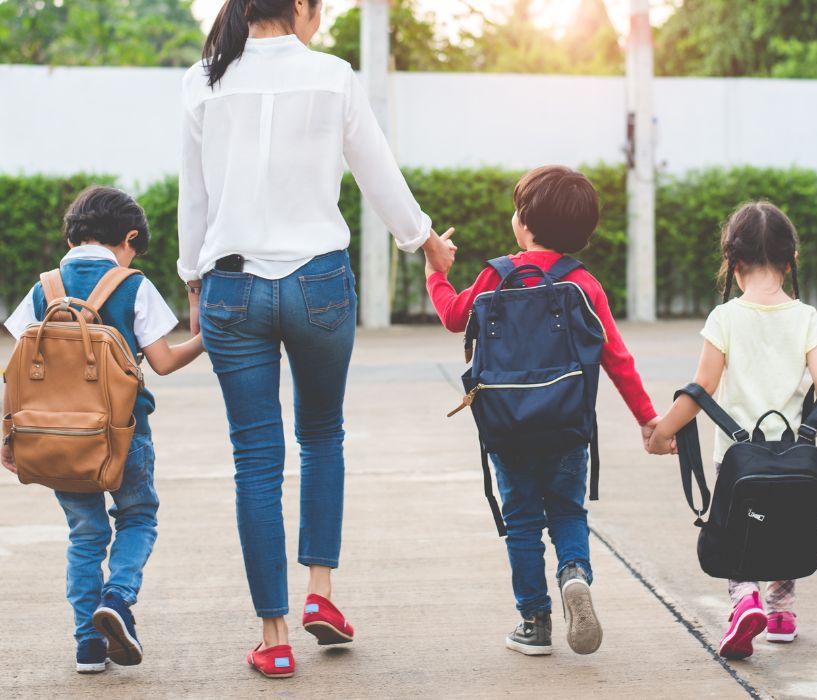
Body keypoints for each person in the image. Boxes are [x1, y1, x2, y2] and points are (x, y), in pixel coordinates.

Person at [179, 0, 455, 678]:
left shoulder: (204, 79)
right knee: (323, 435)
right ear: (300, 6)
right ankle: (320, 594)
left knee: (255, 459)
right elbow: (378, 173)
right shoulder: (333, 76)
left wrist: (192, 280)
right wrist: (425, 242)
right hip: (319, 285)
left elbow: (195, 195)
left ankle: (273, 638)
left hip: (232, 286)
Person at [426, 165, 658, 656]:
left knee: (523, 522)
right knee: (568, 511)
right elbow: (617, 358)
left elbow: (453, 316)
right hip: (567, 424)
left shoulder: (496, 276)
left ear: (525, 223)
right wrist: (646, 418)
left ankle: (535, 623)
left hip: (507, 426)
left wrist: (435, 274)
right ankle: (574, 574)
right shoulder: (583, 283)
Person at [1, 185, 203, 673]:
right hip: (124, 433)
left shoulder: (43, 288)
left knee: (85, 535)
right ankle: (118, 598)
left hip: (56, 439)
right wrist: (206, 339)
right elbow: (163, 362)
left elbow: (15, 370)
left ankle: (88, 647)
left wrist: (8, 434)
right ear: (129, 238)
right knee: (138, 517)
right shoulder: (133, 285)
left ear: (72, 236)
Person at [647, 200, 817, 660]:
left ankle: (745, 601)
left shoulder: (725, 318)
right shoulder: (807, 318)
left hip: (737, 458)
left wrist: (661, 432)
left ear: (733, 263)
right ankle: (781, 614)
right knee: (787, 523)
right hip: (795, 456)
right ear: (790, 261)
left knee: (739, 529)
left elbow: (701, 389)